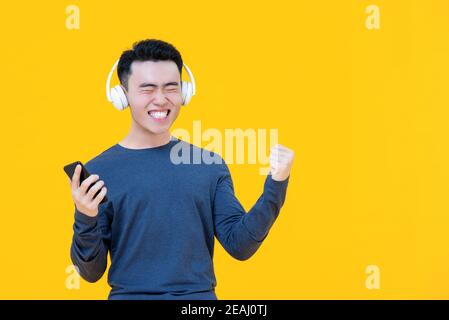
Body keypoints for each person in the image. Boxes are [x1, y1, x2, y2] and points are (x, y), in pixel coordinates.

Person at [68, 39, 295, 300]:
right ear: (122, 95)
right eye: (147, 89)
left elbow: (240, 244)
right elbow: (90, 272)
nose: (161, 99)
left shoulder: (208, 165)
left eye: (171, 88)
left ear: (185, 92)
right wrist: (85, 216)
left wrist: (276, 184)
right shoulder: (98, 172)